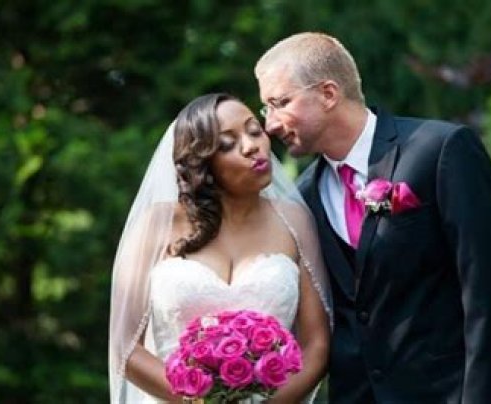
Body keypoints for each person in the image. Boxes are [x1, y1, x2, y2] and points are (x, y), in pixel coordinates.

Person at [255, 32, 491, 403]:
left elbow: (490, 291)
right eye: (265, 109)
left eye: (280, 103)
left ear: (329, 94)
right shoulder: (303, 198)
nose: (270, 125)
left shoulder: (440, 150)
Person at [108, 93, 332, 403]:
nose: (251, 146)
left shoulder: (295, 220)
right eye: (227, 144)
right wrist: (204, 401)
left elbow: (317, 344)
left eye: (254, 131)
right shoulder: (157, 224)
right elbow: (125, 347)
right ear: (202, 164)